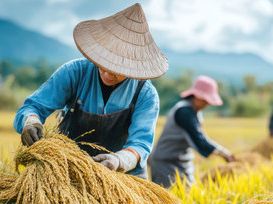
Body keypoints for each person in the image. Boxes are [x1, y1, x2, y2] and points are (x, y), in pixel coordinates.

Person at [13, 3, 168, 179]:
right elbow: (33, 107)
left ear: (133, 67)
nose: (107, 72)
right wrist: (30, 122)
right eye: (103, 63)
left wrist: (118, 160)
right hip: (70, 170)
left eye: (117, 69)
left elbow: (141, 144)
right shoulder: (74, 73)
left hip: (125, 178)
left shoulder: (145, 94)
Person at [150, 76, 236, 188]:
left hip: (182, 162)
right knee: (169, 198)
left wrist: (223, 152)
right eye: (205, 101)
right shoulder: (184, 112)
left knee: (189, 194)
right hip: (166, 163)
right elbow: (199, 139)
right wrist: (223, 153)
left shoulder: (195, 111)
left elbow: (202, 137)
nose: (207, 104)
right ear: (196, 97)